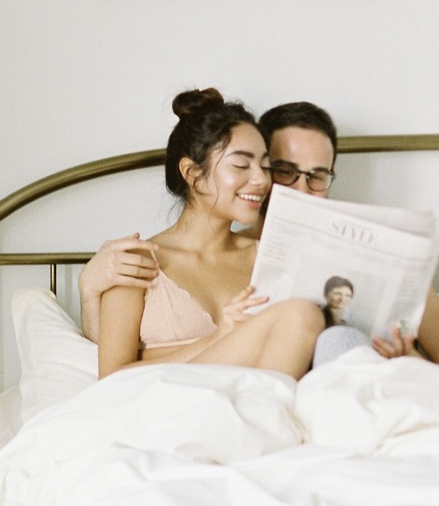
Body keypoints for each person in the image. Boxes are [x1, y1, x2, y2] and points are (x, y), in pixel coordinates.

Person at [81, 99, 439, 385]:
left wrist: (410, 364)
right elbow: (112, 370)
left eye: (317, 176)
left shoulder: (292, 257)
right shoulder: (135, 261)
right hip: (211, 408)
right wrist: (87, 291)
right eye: (282, 170)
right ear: (195, 172)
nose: (296, 188)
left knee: (337, 341)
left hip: (355, 397)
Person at [97, 89, 325, 381]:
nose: (261, 179)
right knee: (300, 315)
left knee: (305, 318)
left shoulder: (268, 254)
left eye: (265, 165)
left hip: (250, 404)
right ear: (192, 173)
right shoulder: (135, 262)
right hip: (164, 405)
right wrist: (218, 338)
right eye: (241, 165)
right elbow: (111, 378)